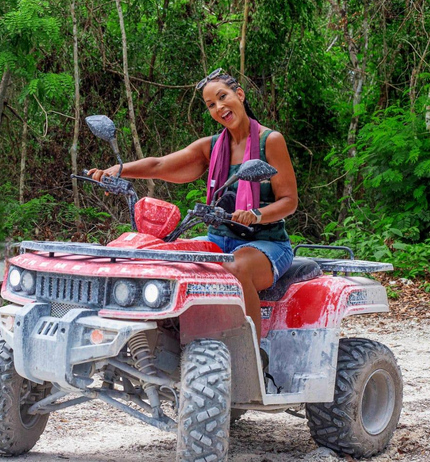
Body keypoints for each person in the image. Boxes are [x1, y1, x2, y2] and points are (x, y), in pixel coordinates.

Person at [88, 69, 297, 340]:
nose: (219, 107)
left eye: (223, 97)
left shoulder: (269, 141)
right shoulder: (211, 148)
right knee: (164, 257)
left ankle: (250, 353)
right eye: (211, 104)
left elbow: (289, 201)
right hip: (218, 239)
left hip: (266, 243)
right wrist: (117, 170)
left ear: (240, 95)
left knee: (236, 267)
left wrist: (256, 215)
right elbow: (160, 164)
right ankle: (167, 343)